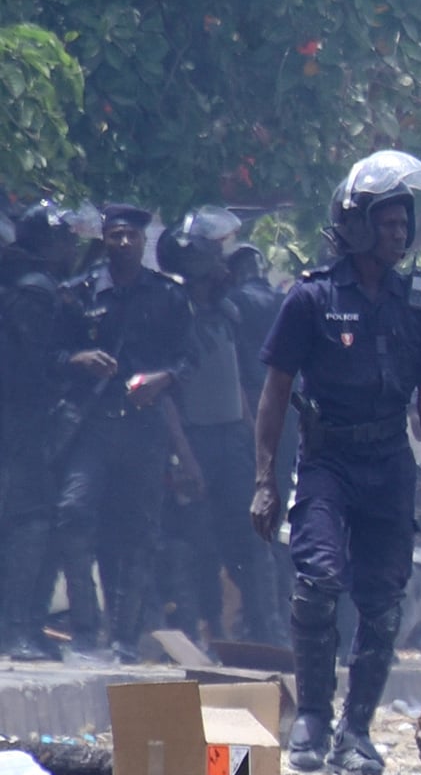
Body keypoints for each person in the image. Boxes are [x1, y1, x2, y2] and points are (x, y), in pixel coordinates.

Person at [254, 152, 421, 775]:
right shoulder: (311, 298)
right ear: (358, 224)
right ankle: (312, 716)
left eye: (404, 224)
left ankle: (357, 731)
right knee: (316, 580)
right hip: (326, 459)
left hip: (389, 460)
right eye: (387, 223)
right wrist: (264, 480)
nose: (400, 234)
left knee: (384, 600)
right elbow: (276, 390)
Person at [55, 202, 196, 659]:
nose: (123, 243)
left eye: (131, 236)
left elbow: (189, 359)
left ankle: (122, 638)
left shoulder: (168, 295)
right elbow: (46, 357)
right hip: (91, 426)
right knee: (74, 515)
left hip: (144, 428)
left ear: (143, 241)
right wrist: (77, 360)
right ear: (104, 240)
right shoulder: (78, 294)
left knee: (135, 532)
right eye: (115, 235)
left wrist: (164, 379)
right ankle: (82, 631)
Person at [165, 211, 280, 646]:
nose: (223, 269)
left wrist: (255, 448)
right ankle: (204, 633)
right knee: (197, 544)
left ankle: (266, 632)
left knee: (252, 539)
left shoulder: (228, 310)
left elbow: (240, 383)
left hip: (233, 438)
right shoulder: (176, 311)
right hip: (195, 439)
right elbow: (171, 394)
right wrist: (185, 456)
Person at [0, 201, 74, 660]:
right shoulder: (35, 290)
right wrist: (71, 364)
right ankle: (18, 628)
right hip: (22, 422)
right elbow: (28, 362)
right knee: (31, 519)